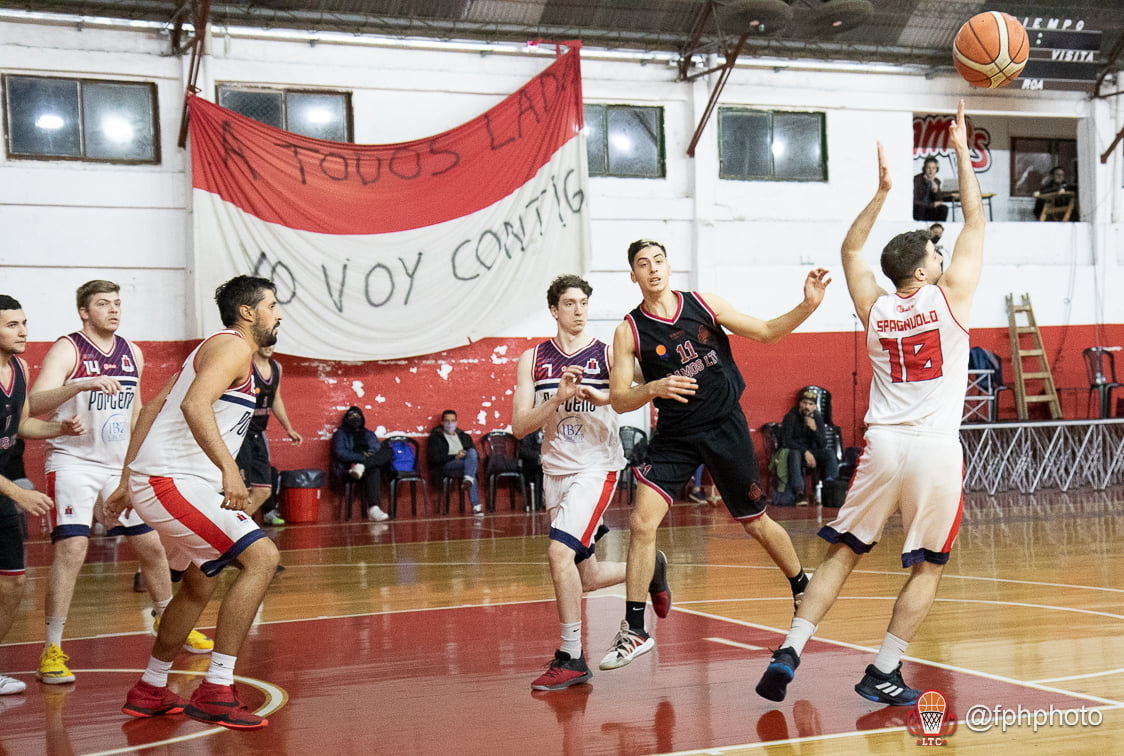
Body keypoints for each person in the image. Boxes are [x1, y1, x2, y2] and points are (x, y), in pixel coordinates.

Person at [756, 101, 983, 707]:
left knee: (842, 555)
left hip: (882, 445)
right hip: (934, 450)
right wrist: (960, 151)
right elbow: (976, 224)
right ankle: (884, 668)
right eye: (934, 256)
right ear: (923, 270)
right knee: (927, 566)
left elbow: (850, 251)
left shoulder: (875, 311)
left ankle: (791, 649)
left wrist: (884, 190)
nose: (942, 258)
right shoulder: (952, 298)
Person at [598, 239, 829, 671]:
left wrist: (807, 307)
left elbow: (764, 332)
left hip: (725, 428)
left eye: (659, 261)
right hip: (675, 436)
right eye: (643, 265)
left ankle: (801, 584)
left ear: (670, 267)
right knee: (640, 522)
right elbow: (618, 397)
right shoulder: (628, 330)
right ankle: (635, 630)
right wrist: (653, 388)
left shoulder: (702, 304)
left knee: (756, 523)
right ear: (633, 276)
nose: (653, 269)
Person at [105, 275, 283, 730]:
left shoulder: (208, 349)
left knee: (201, 582)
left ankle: (151, 688)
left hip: (161, 480)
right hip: (174, 481)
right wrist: (229, 469)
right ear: (248, 312)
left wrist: (128, 478)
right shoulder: (235, 348)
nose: (279, 314)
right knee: (262, 558)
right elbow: (194, 406)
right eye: (273, 305)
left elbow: (151, 409)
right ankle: (216, 689)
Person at [29, 280, 213, 686]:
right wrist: (80, 384)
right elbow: (33, 404)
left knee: (150, 545)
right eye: (103, 304)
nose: (114, 310)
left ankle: (169, 622)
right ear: (83, 311)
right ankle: (52, 647)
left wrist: (137, 466)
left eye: (117, 303)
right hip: (73, 461)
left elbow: (133, 415)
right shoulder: (68, 348)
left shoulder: (132, 353)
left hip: (117, 465)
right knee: (73, 550)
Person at [512, 274, 667, 691]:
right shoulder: (533, 359)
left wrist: (613, 395)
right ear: (554, 310)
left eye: (584, 303)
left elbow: (644, 389)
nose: (579, 310)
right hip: (555, 473)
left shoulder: (607, 355)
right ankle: (652, 568)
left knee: (558, 554)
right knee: (588, 577)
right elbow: (519, 427)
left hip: (596, 468)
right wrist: (557, 399)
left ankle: (571, 656)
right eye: (570, 303)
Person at [0, 295, 83, 698]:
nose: (23, 331)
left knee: (12, 584)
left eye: (24, 322)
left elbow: (20, 426)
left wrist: (59, 430)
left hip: (2, 488)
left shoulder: (19, 367)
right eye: (12, 325)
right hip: (6, 486)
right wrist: (17, 491)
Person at [237, 345, 302, 526]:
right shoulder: (245, 364)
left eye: (271, 342)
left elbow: (276, 399)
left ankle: (237, 528)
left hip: (258, 432)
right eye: (265, 342)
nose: (268, 346)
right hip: (240, 433)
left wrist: (288, 428)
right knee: (242, 490)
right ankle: (236, 532)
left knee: (263, 490)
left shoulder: (277, 368)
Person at [330, 406, 391, 522]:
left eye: (357, 416)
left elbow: (376, 449)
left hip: (366, 466)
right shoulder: (340, 434)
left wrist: (366, 460)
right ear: (346, 419)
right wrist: (362, 457)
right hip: (348, 469)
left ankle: (362, 466)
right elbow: (340, 452)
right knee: (374, 469)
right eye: (351, 416)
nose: (355, 419)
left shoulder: (368, 434)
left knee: (388, 451)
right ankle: (373, 507)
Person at [780, 389, 839, 506]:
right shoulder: (790, 417)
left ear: (815, 407)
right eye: (805, 403)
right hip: (797, 451)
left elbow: (822, 444)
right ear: (800, 404)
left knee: (829, 453)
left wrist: (815, 430)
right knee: (794, 453)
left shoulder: (817, 418)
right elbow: (787, 441)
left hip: (813, 452)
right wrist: (805, 452)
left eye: (810, 404)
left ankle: (831, 487)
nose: (807, 406)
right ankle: (799, 493)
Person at [426, 410, 482, 515]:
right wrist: (455, 456)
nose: (450, 424)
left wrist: (464, 455)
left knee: (472, 452)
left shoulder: (464, 437)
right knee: (470, 471)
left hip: (464, 463)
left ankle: (468, 479)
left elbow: (475, 457)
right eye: (447, 421)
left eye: (452, 421)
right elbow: (434, 458)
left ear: (456, 422)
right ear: (442, 422)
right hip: (447, 465)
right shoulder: (435, 438)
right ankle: (476, 506)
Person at [912, 156, 947, 222]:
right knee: (920, 208)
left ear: (937, 170)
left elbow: (939, 200)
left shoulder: (937, 181)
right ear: (924, 169)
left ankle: (938, 227)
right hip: (920, 208)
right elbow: (915, 201)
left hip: (930, 210)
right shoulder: (917, 180)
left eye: (933, 168)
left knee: (943, 209)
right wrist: (930, 205)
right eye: (928, 168)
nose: (931, 171)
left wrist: (935, 191)